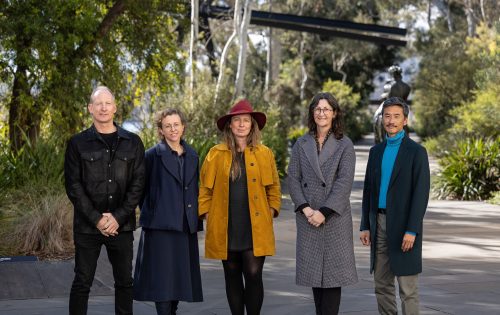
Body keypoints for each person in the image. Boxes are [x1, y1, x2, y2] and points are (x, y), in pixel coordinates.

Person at [64, 86, 145, 315]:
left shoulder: (133, 143)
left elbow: (138, 185)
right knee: (82, 282)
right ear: (90, 108)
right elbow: (73, 186)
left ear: (115, 108)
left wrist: (117, 217)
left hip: (122, 226)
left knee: (124, 282)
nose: (103, 107)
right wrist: (98, 220)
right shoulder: (77, 143)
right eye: (98, 103)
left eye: (107, 103)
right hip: (87, 227)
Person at [199, 99, 281, 315]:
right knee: (232, 274)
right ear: (230, 125)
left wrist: (272, 210)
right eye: (237, 121)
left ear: (252, 125)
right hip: (226, 224)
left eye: (246, 120)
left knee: (254, 274)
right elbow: (204, 189)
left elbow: (274, 187)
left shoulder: (265, 153)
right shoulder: (215, 154)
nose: (242, 124)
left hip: (255, 225)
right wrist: (206, 213)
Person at [287, 92, 358, 315]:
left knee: (332, 279)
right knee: (315, 278)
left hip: (334, 218)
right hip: (308, 217)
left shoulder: (345, 144)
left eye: (326, 109)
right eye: (317, 109)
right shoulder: (301, 143)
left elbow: (344, 182)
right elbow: (293, 178)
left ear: (334, 113)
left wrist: (323, 212)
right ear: (312, 113)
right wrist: (306, 209)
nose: (322, 113)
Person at [360, 97, 430, 315]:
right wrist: (365, 225)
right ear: (382, 119)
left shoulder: (417, 152)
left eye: (396, 116)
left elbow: (421, 195)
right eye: (387, 116)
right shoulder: (375, 152)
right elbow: (368, 192)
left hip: (403, 225)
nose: (391, 121)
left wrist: (412, 230)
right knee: (381, 285)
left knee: (407, 289)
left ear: (405, 120)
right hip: (379, 224)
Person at [133, 108, 203, 315]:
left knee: (179, 280)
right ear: (161, 130)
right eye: (167, 126)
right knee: (162, 282)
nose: (173, 129)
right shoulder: (151, 156)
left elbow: (195, 188)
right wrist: (154, 210)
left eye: (176, 125)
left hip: (184, 226)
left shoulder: (192, 155)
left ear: (183, 127)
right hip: (160, 226)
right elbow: (140, 191)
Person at [374, 65, 411, 143]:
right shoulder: (407, 87)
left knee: (376, 116)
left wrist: (382, 96)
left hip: (390, 106)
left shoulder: (390, 85)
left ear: (393, 74)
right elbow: (405, 99)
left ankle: (379, 138)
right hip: (402, 107)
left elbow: (388, 97)